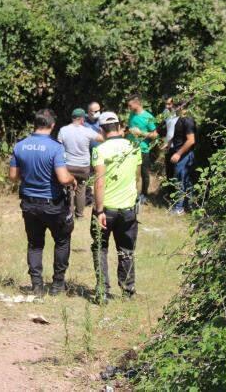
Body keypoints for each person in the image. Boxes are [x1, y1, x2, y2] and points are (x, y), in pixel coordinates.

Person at [9, 109, 77, 297]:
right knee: (62, 241)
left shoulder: (20, 146)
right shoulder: (55, 147)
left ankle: (37, 286)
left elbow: (13, 177)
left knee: (35, 244)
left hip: (29, 204)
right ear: (52, 125)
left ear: (35, 124)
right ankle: (57, 285)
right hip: (53, 204)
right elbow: (63, 178)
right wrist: (73, 180)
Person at [90, 112, 141, 304]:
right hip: (128, 208)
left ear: (101, 130)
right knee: (126, 249)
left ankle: (102, 291)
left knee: (100, 248)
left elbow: (99, 182)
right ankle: (128, 291)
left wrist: (99, 210)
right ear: (119, 127)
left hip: (107, 209)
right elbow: (137, 177)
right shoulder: (133, 147)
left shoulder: (99, 150)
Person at [58, 108, 103, 218]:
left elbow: (59, 146)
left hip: (68, 165)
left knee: (68, 189)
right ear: (82, 119)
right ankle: (79, 214)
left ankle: (69, 213)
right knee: (81, 189)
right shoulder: (87, 131)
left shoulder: (63, 130)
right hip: (83, 167)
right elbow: (102, 138)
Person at [125, 94, 158, 203]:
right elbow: (129, 128)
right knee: (130, 173)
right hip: (130, 149)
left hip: (143, 149)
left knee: (144, 173)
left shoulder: (148, 117)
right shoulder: (131, 115)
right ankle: (130, 194)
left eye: (130, 105)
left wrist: (141, 133)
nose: (128, 107)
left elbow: (155, 135)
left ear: (137, 103)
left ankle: (144, 195)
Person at [168, 107, 196, 215]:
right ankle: (191, 205)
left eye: (173, 105)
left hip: (185, 156)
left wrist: (178, 153)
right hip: (182, 154)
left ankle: (179, 208)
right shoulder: (180, 119)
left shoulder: (187, 120)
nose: (170, 108)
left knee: (180, 181)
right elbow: (179, 135)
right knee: (186, 181)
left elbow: (191, 140)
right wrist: (169, 142)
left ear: (181, 106)